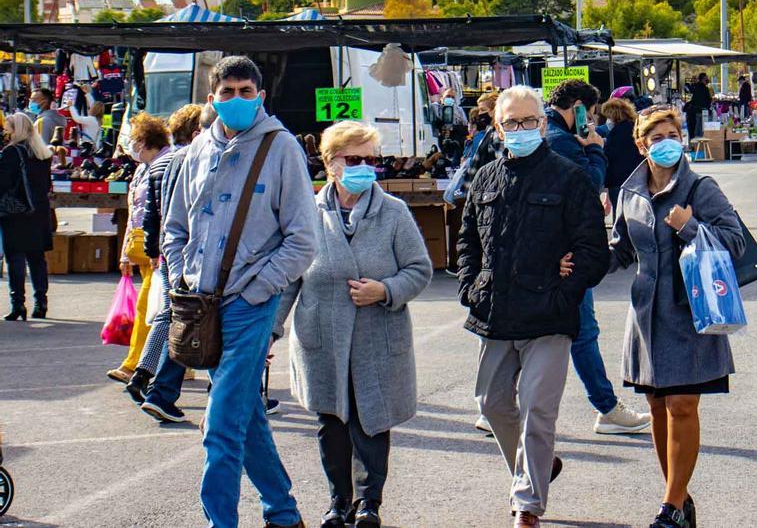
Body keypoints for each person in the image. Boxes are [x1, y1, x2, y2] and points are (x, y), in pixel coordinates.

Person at [162, 56, 317, 528]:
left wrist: (259, 289)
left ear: (260, 96)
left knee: (221, 425)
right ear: (211, 99)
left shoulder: (282, 148)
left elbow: (303, 240)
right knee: (245, 416)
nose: (236, 100)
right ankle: (285, 514)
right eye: (226, 92)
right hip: (200, 305)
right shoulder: (195, 152)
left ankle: (221, 522)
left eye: (245, 91)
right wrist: (180, 279)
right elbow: (174, 228)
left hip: (249, 306)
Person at [457, 85, 609, 528]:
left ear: (543, 124)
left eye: (528, 121)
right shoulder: (485, 177)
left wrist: (566, 290)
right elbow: (467, 239)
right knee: (491, 403)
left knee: (538, 411)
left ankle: (528, 503)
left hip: (549, 317)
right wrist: (471, 285)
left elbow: (592, 250)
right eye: (511, 123)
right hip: (496, 312)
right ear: (498, 128)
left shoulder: (570, 177)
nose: (520, 130)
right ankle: (536, 467)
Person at [275, 121, 433, 528]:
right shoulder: (306, 213)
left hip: (376, 336)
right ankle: (337, 502)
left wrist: (385, 289)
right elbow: (289, 277)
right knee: (331, 421)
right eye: (354, 159)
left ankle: (369, 503)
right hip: (321, 339)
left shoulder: (393, 213)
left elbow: (419, 269)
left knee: (371, 420)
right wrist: (269, 331)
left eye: (371, 160)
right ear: (330, 164)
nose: (365, 167)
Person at [606, 106, 745, 528]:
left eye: (673, 133)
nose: (667, 142)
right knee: (658, 404)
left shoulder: (700, 187)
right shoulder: (629, 193)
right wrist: (583, 257)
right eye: (657, 136)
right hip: (647, 314)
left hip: (689, 311)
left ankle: (668, 508)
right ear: (641, 145)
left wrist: (689, 228)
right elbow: (621, 250)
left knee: (683, 404)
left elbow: (736, 242)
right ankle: (680, 501)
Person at [544, 79, 651, 435]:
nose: (589, 120)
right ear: (576, 107)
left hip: (552, 247)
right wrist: (594, 148)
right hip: (565, 249)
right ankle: (606, 407)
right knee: (583, 332)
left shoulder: (548, 133)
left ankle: (500, 402)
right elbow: (589, 183)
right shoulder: (561, 140)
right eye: (587, 113)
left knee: (538, 333)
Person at [122, 105, 205, 404]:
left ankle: (144, 374)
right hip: (185, 251)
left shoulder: (163, 164)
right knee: (185, 314)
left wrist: (155, 250)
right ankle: (155, 382)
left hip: (167, 249)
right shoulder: (186, 162)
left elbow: (152, 213)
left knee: (168, 313)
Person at [106, 113, 174, 387]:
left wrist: (161, 251)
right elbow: (136, 213)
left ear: (145, 141)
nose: (130, 145)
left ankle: (134, 364)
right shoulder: (143, 168)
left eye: (133, 140)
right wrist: (125, 253)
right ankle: (176, 364)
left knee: (151, 308)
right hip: (143, 248)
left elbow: (161, 213)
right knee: (160, 310)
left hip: (159, 251)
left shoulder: (166, 164)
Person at [0, 113, 53, 321]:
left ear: (16, 130)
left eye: (8, 127)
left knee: (16, 259)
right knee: (37, 258)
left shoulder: (12, 153)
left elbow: (3, 183)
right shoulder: (43, 153)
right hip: (39, 210)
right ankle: (41, 302)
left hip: (16, 211)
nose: (5, 131)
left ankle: (18, 304)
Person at [600, 98, 643, 212]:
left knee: (620, 216)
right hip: (638, 180)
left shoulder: (616, 133)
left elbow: (610, 157)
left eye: (608, 117)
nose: (607, 120)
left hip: (618, 182)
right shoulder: (635, 127)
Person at [684, 73, 712, 140]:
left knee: (693, 132)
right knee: (699, 132)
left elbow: (686, 87)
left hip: (694, 112)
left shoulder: (696, 86)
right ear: (703, 79)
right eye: (706, 79)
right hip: (700, 112)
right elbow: (708, 100)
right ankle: (697, 145)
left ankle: (693, 144)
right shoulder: (704, 88)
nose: (707, 80)